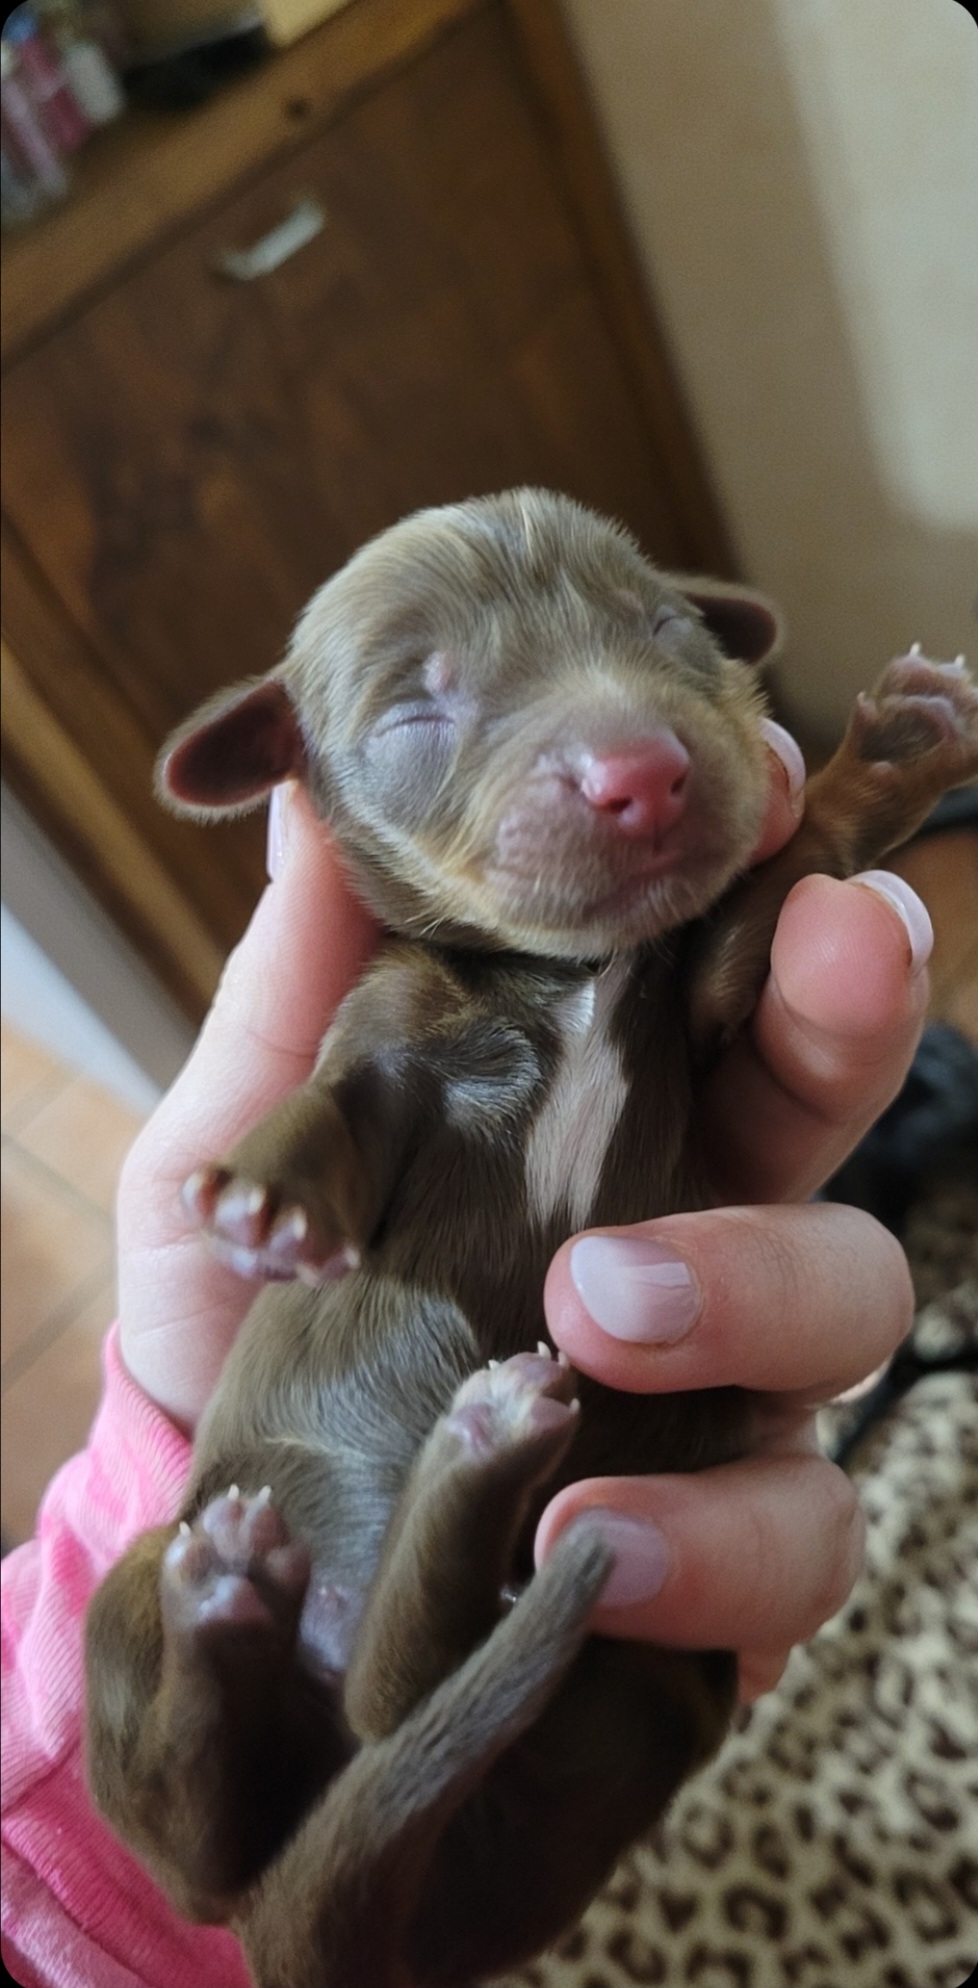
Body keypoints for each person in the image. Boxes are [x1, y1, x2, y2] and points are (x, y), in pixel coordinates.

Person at [1, 734, 931, 1988]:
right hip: (395, 1783)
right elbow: (344, 1116)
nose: (602, 751)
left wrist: (856, 792)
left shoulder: (660, 957)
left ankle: (293, 1607)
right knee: (198, 1684)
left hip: (375, 1733)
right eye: (426, 717)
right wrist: (282, 1189)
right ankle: (382, 1561)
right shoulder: (413, 989)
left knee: (193, 1638)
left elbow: (731, 957)